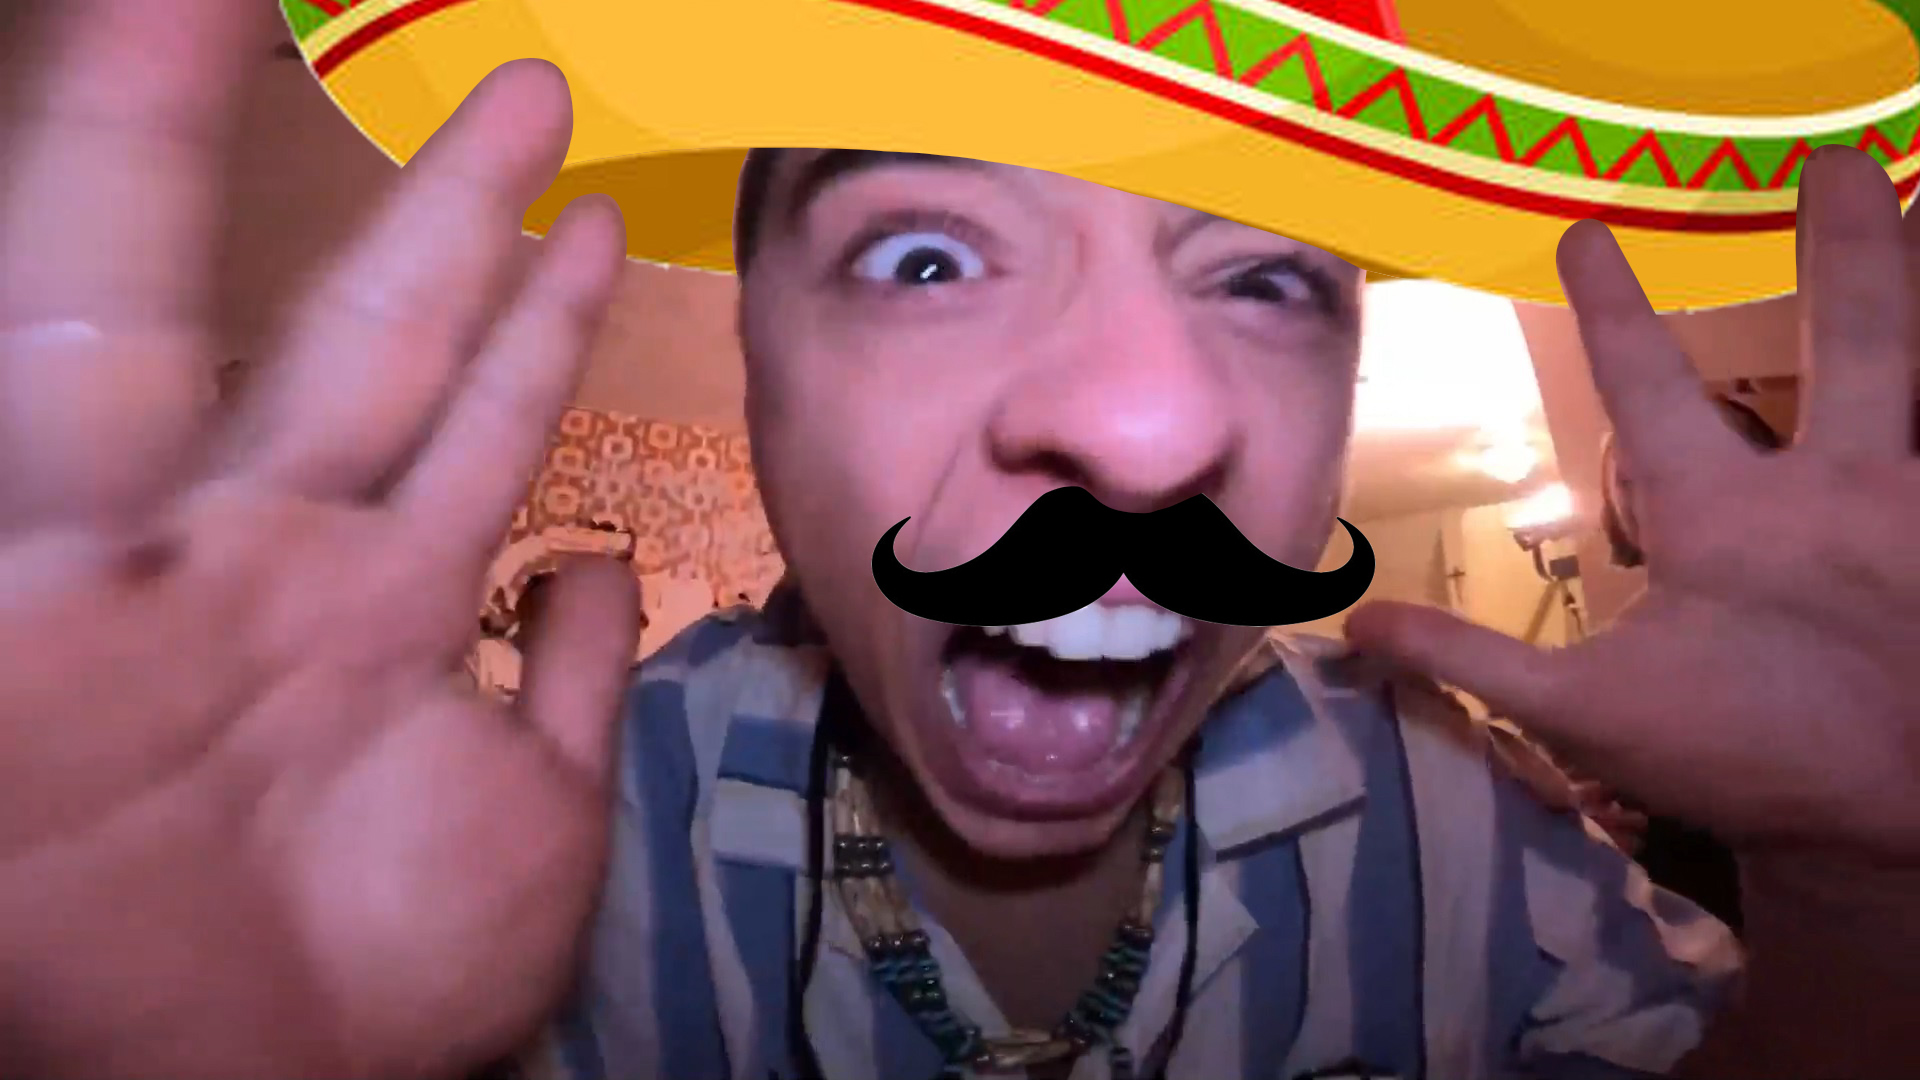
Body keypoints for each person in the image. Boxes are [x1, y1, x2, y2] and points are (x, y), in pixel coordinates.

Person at [0, 8, 1912, 1080]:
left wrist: (1853, 891)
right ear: (757, 359)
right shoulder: (534, 867)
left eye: (1265, 282)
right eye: (926, 258)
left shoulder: (1447, 812)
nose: (1150, 429)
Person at [1586, 394, 1791, 934]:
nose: (1654, 490)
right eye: (1628, 478)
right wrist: (1582, 831)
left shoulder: (1856, 619)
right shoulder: (1608, 667)